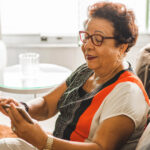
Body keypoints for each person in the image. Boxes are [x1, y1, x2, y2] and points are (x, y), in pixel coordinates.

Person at [0, 2, 149, 150]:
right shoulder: (87, 70)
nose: (87, 46)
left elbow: (100, 148)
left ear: (121, 47)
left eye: (98, 39)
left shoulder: (127, 93)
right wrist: (23, 108)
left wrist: (44, 141)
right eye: (87, 37)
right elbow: (47, 105)